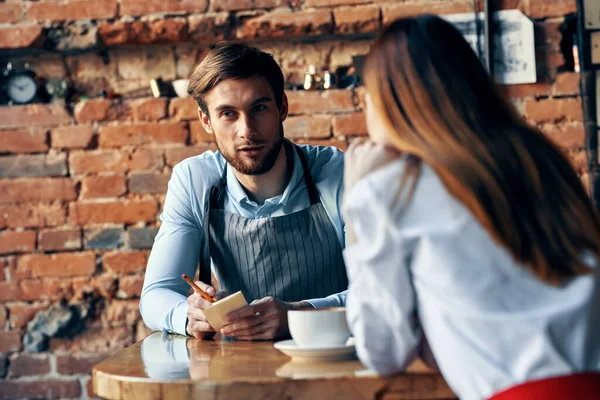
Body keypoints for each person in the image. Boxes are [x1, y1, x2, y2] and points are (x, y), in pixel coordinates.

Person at [342, 15, 600, 400]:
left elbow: (383, 353)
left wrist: (356, 202)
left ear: (388, 103)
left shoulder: (389, 191)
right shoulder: (541, 159)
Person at [140, 42, 348, 341]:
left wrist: (300, 315)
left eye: (259, 108)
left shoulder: (336, 172)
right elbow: (156, 295)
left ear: (283, 108)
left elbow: (382, 294)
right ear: (206, 121)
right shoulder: (195, 180)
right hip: (240, 366)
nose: (246, 130)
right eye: (228, 114)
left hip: (335, 356)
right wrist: (189, 315)